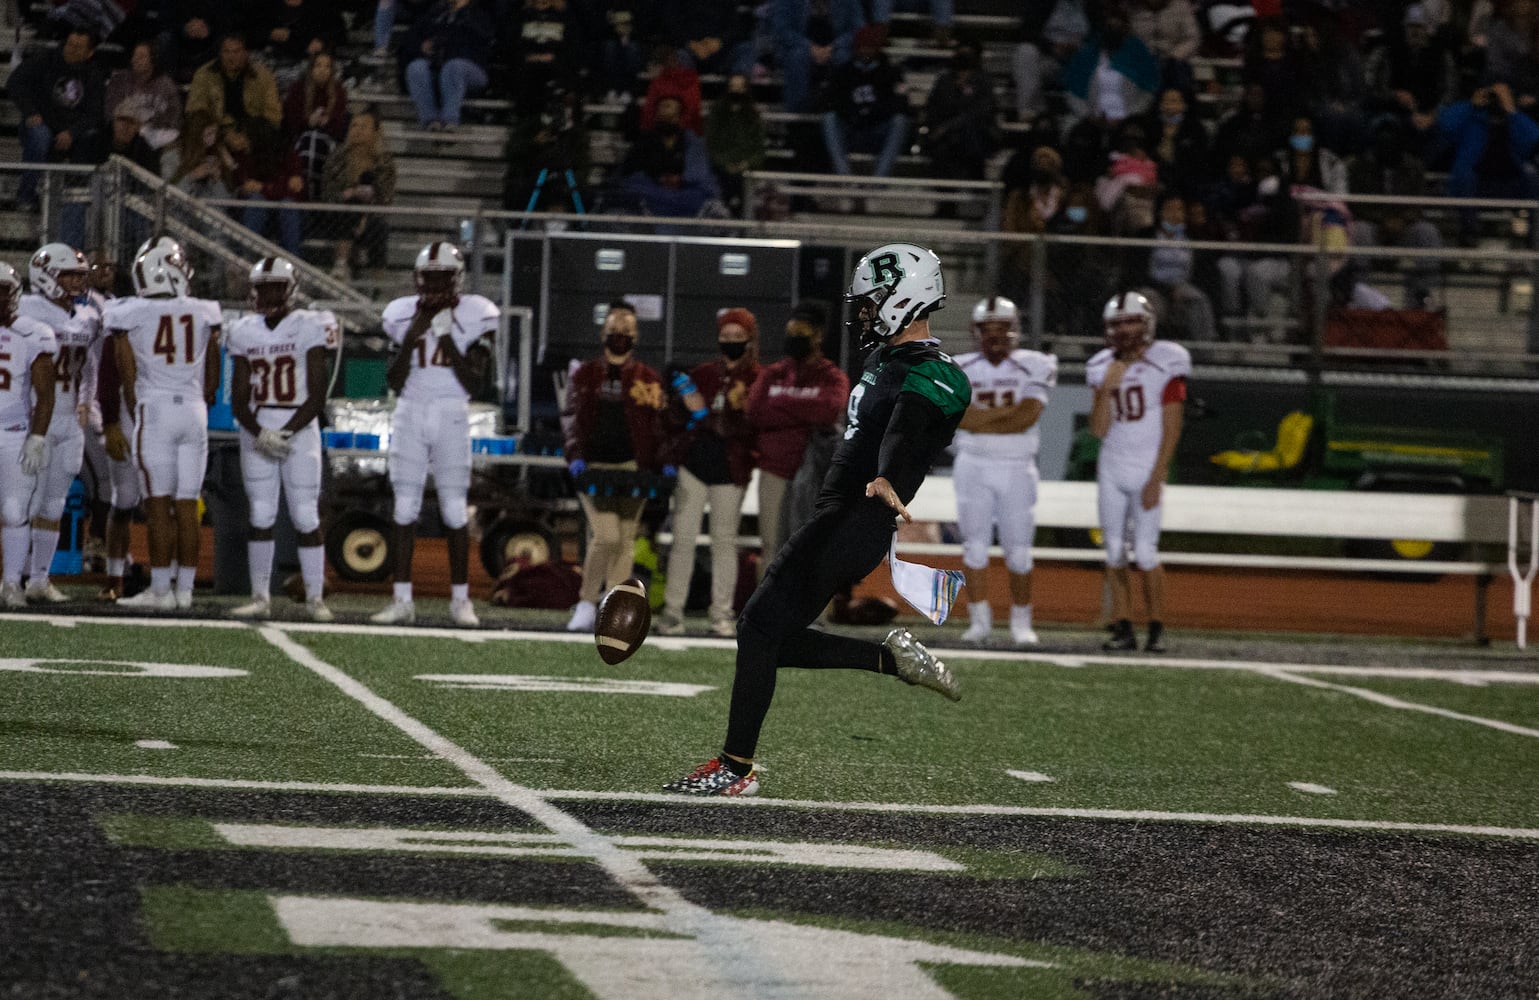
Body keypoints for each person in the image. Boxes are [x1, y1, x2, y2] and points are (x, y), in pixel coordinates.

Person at [665, 243, 969, 797]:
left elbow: (908, 425)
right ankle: (891, 659)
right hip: (842, 517)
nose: (863, 314)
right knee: (769, 636)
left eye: (873, 302)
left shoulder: (936, 373)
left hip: (857, 519)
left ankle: (736, 768)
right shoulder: (889, 362)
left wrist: (889, 476)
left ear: (906, 297)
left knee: (757, 627)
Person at [371, 242, 498, 627]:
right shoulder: (400, 314)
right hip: (409, 410)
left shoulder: (477, 313)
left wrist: (444, 337)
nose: (436, 286)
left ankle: (461, 600)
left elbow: (475, 382)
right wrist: (414, 334)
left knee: (454, 509)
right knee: (404, 507)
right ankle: (402, 599)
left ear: (457, 280)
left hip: (451, 412)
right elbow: (392, 380)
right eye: (430, 278)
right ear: (417, 278)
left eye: (443, 278)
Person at [105, 240, 222, 610]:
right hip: (194, 411)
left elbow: (126, 374)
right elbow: (213, 375)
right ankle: (184, 591)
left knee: (157, 506)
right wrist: (199, 398)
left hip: (155, 411)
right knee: (188, 505)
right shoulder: (205, 311)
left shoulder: (128, 311)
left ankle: (160, 590)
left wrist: (137, 408)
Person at [226, 257, 339, 622]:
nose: (269, 293)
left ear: (290, 289)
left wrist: (285, 432)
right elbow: (239, 396)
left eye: (276, 286)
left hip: (300, 426)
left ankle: (315, 598)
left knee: (306, 515)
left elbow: (317, 394)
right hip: (258, 427)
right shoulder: (244, 331)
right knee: (261, 513)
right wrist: (260, 432)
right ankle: (261, 596)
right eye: (263, 287)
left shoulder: (309, 325)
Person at [1087, 291, 1190, 653]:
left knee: (1145, 553)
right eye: (1118, 323)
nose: (1125, 329)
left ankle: (1157, 628)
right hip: (1112, 466)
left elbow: (1172, 425)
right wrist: (1105, 390)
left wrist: (1158, 475)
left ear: (1147, 324)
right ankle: (1124, 627)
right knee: (1113, 550)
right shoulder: (1101, 365)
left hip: (1147, 465)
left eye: (1131, 321)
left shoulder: (1168, 359)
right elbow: (1098, 430)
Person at [953, 297, 1057, 646]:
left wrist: (979, 418)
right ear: (975, 332)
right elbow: (959, 417)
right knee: (974, 548)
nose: (995, 338)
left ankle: (1021, 623)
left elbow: (1026, 417)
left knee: (1019, 550)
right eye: (987, 330)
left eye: (1002, 330)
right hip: (972, 466)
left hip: (1016, 468)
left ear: (1016, 331)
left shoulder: (1036, 364)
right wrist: (1004, 416)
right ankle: (980, 621)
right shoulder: (958, 365)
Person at [559, 301, 667, 633]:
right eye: (614, 330)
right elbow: (570, 418)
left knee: (625, 539)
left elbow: (657, 422)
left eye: (626, 331)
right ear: (603, 333)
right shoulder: (586, 373)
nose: (620, 336)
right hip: (594, 464)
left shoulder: (647, 377)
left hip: (633, 464)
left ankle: (613, 607)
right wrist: (574, 454)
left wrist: (659, 463)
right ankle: (587, 601)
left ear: (635, 336)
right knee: (606, 535)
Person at [658, 308, 761, 637]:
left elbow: (754, 427)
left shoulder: (758, 377)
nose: (731, 341)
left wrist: (739, 410)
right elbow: (674, 415)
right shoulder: (703, 372)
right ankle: (673, 613)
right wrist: (680, 401)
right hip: (694, 466)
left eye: (738, 337)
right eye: (726, 336)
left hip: (731, 470)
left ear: (750, 339)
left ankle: (722, 614)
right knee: (682, 541)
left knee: (724, 543)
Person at [16, 244, 100, 604]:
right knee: (19, 504)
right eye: (68, 275)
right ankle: (11, 578)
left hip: (69, 420)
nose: (76, 283)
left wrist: (86, 402)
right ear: (45, 276)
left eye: (80, 276)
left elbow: (91, 366)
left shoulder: (87, 316)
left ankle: (38, 579)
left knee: (53, 504)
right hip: (34, 417)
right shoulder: (27, 311)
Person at [746, 302, 848, 574]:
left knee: (812, 545)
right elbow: (755, 412)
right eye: (791, 331)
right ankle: (766, 615)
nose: (794, 338)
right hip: (775, 472)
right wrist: (804, 410)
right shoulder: (773, 373)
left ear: (817, 336)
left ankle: (813, 615)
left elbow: (828, 410)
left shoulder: (832, 376)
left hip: (815, 475)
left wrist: (781, 404)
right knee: (771, 546)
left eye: (801, 332)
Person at [0, 263, 58, 609]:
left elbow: (46, 394)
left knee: (14, 509)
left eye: (1, 290)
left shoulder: (34, 332)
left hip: (13, 431)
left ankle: (11, 584)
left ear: (15, 294)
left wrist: (37, 437)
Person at [8, 28, 106, 212]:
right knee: (40, 136)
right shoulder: (46, 60)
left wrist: (72, 132)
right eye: (70, 44)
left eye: (78, 47)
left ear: (89, 52)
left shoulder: (94, 74)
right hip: (40, 123)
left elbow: (95, 114)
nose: (71, 49)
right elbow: (15, 82)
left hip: (72, 130)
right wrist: (30, 111)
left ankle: (74, 199)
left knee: (91, 137)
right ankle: (26, 195)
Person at [821, 25, 909, 180]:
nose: (866, 51)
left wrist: (873, 111)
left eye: (870, 47)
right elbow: (830, 100)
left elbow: (901, 103)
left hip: (877, 130)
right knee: (829, 119)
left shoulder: (892, 72)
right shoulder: (843, 71)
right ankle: (845, 178)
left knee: (899, 121)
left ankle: (879, 180)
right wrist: (854, 113)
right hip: (852, 129)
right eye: (862, 47)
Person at [321, 107, 396, 281]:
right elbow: (327, 192)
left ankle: (377, 284)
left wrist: (365, 215)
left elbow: (385, 196)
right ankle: (340, 266)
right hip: (338, 216)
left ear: (375, 132)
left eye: (363, 127)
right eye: (354, 126)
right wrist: (346, 195)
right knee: (351, 205)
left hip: (371, 218)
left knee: (380, 228)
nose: (357, 131)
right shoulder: (337, 157)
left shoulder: (384, 162)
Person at [402, 0, 494, 131]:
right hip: (438, 67)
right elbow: (412, 36)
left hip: (472, 69)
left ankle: (449, 120)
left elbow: (481, 41)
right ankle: (430, 120)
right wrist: (422, 46)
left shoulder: (478, 14)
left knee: (453, 66)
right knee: (416, 67)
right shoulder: (437, 12)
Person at [184, 32, 283, 132]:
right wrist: (224, 133)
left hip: (253, 131)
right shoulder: (204, 74)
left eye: (236, 51)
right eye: (226, 51)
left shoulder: (263, 76)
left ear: (246, 53)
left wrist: (248, 135)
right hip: (216, 132)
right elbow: (195, 110)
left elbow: (273, 115)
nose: (231, 57)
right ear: (220, 54)